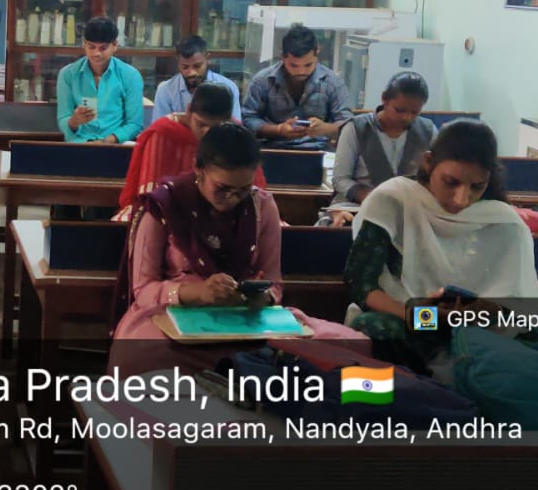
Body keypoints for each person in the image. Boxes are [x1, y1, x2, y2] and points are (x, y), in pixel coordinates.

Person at [112, 124, 363, 348]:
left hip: (244, 317)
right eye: (222, 188)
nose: (232, 199)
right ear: (199, 169)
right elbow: (143, 290)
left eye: (243, 190)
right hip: (171, 315)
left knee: (347, 343)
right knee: (147, 355)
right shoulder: (164, 205)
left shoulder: (261, 205)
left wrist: (260, 296)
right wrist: (197, 292)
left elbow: (273, 283)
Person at [342, 120, 538, 373]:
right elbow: (359, 283)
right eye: (451, 182)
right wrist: (419, 315)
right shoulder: (393, 199)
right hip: (410, 319)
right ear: (429, 162)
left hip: (475, 330)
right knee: (375, 327)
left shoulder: (503, 221)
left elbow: (517, 305)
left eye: (477, 187)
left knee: (525, 342)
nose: (461, 200)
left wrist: (483, 309)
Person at [117, 83, 264, 219]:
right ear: (188, 111)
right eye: (201, 124)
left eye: (215, 127)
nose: (207, 132)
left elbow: (251, 189)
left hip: (227, 210)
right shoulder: (163, 133)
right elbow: (150, 194)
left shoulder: (235, 135)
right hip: (169, 211)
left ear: (229, 120)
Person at [328, 72, 436, 221]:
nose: (406, 117)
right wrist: (373, 198)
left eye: (414, 112)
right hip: (359, 204)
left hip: (409, 208)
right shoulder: (356, 128)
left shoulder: (428, 131)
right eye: (400, 110)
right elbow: (340, 179)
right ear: (384, 99)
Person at [241, 23, 351, 150]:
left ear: (317, 53)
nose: (301, 71)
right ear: (282, 57)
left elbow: (348, 125)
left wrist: (325, 129)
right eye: (294, 65)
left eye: (308, 65)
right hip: (273, 149)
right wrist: (278, 130)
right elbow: (248, 118)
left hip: (319, 150)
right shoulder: (262, 80)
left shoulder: (333, 82)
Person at [56, 16, 144, 144]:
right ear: (84, 44)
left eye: (103, 48)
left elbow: (134, 124)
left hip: (114, 146)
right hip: (79, 145)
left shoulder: (130, 76)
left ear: (114, 45)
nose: (97, 53)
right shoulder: (68, 74)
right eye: (91, 47)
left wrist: (106, 142)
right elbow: (63, 118)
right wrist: (74, 121)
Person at [150, 35, 241, 124]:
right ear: (177, 61)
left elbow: (234, 129)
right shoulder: (165, 90)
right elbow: (160, 129)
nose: (191, 73)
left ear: (208, 59)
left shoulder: (228, 87)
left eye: (197, 66)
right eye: (185, 67)